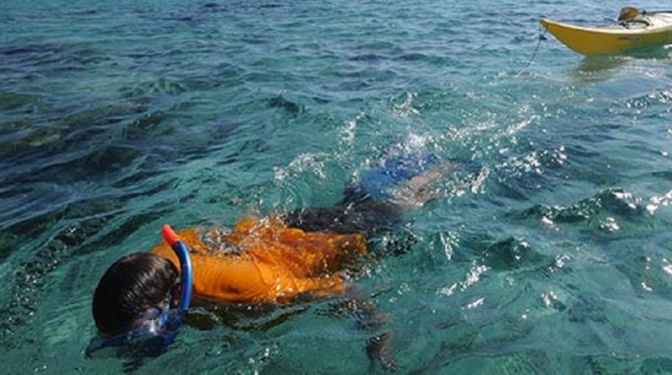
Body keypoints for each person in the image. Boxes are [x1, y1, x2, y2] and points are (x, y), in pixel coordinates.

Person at [88, 152, 453, 367]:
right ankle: (391, 165)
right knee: (355, 199)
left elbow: (337, 287)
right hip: (286, 226)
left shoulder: (250, 289)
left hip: (331, 243)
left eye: (138, 333)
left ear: (170, 298)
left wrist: (380, 337)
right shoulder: (157, 262)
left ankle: (445, 167)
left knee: (406, 203)